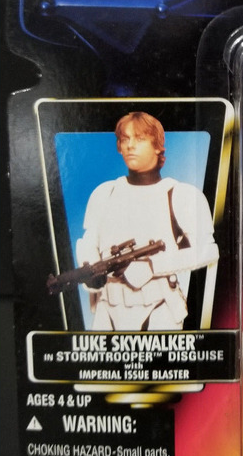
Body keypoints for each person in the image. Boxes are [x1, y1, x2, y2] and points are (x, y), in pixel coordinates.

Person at [76, 111, 218, 331]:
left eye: (140, 139)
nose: (130, 146)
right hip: (108, 306)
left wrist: (153, 266)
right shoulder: (104, 193)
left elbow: (208, 250)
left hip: (159, 306)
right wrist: (91, 271)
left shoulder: (180, 195)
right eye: (125, 139)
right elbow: (88, 241)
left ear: (158, 146)